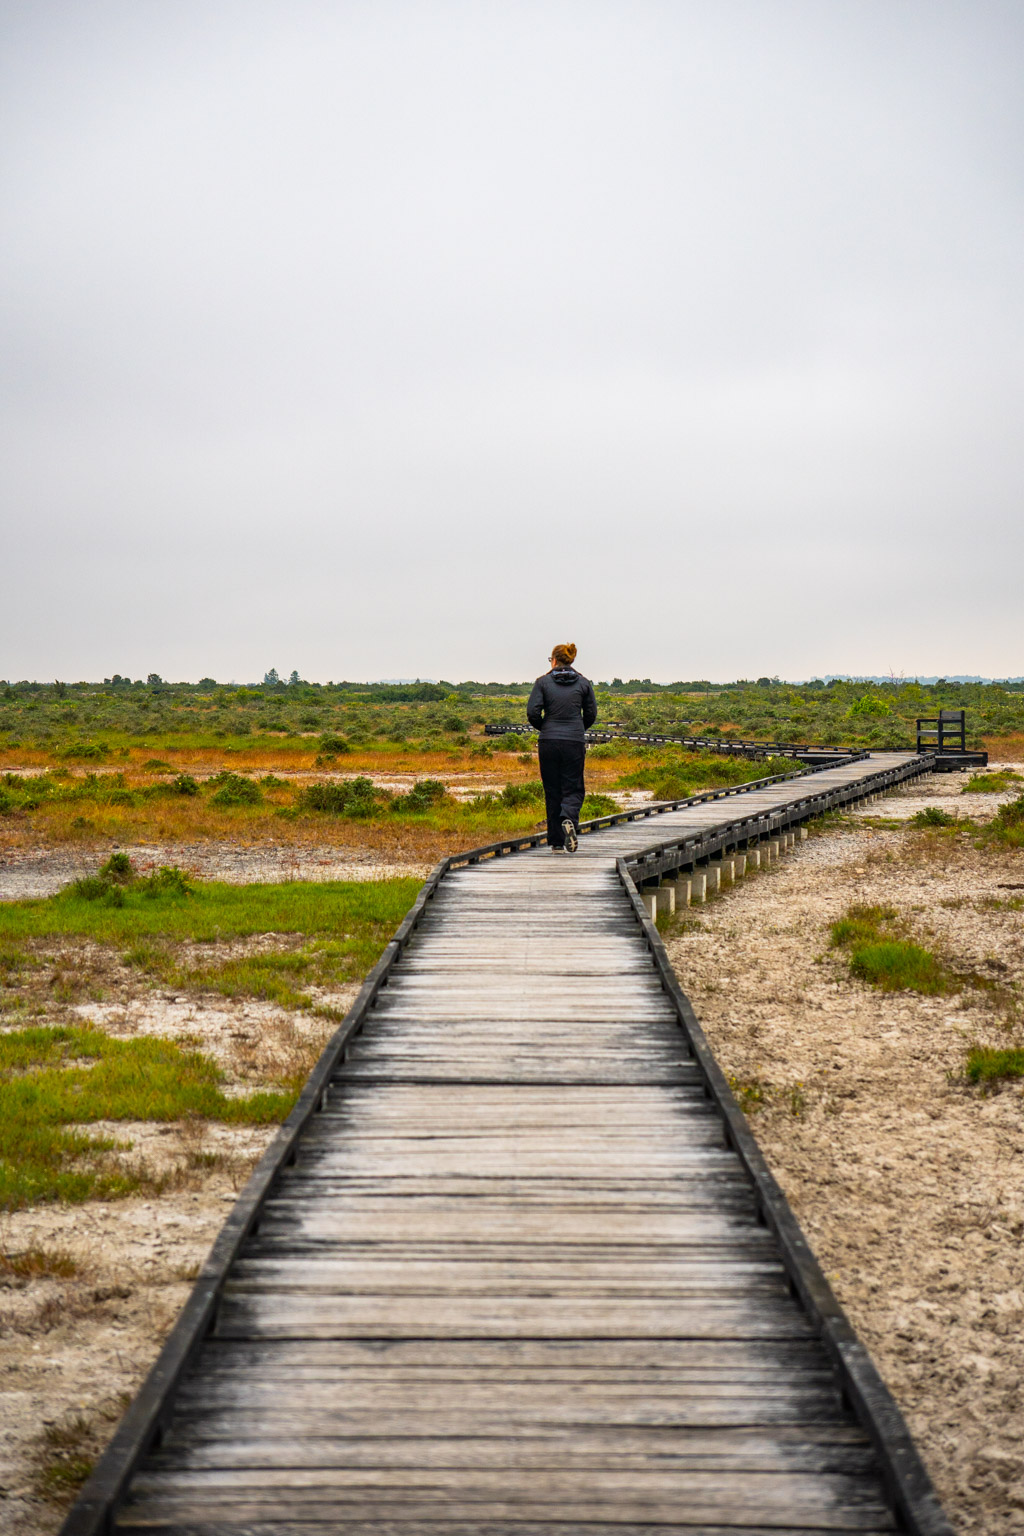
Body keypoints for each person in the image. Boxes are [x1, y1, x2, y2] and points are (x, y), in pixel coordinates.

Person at [526, 643, 597, 853]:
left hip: (548, 742)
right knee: (573, 787)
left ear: (554, 660)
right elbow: (591, 714)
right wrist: (576, 729)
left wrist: (546, 728)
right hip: (574, 742)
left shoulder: (542, 683)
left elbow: (532, 713)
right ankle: (569, 819)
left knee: (552, 790)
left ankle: (556, 842)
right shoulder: (584, 683)